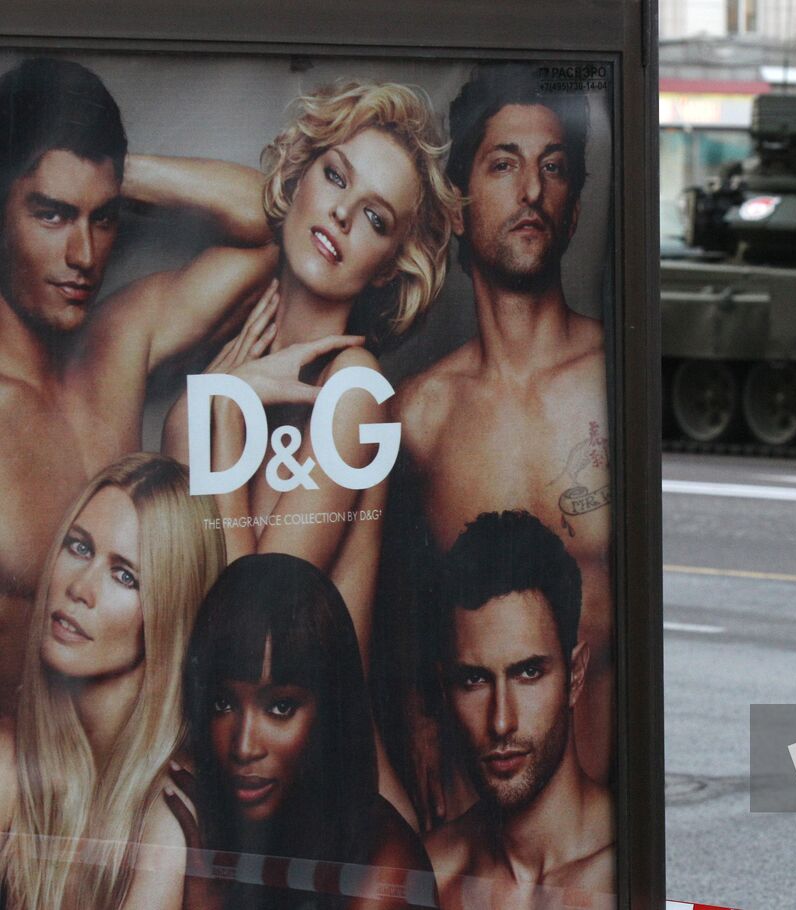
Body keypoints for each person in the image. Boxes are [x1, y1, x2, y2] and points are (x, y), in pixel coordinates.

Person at [162, 79, 460, 825]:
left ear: (388, 265)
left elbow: (255, 633)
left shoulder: (355, 394)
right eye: (335, 177)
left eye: (375, 218)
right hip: (250, 791)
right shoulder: (219, 388)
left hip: (341, 815)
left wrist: (220, 414)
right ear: (298, 177)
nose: (339, 214)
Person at [0, 56, 277, 711]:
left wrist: (123, 172)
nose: (85, 256)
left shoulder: (118, 340)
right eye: (51, 214)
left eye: (103, 218)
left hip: (133, 777)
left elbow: (275, 226)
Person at [394, 62, 613, 790]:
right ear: (455, 207)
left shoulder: (612, 378)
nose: (530, 192)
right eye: (503, 165)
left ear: (575, 209)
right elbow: (397, 615)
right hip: (476, 828)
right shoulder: (422, 415)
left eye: (553, 169)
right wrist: (423, 719)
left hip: (607, 815)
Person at [0, 453, 227, 910]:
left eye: (125, 576)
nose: (80, 587)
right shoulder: (11, 760)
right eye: (79, 547)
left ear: (169, 612)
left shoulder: (174, 813)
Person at [166, 553, 437, 910]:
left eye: (280, 708)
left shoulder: (385, 874)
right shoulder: (206, 822)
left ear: (330, 709)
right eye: (223, 704)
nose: (244, 746)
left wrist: (205, 902)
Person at [424, 511, 614, 907]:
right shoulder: (432, 873)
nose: (501, 721)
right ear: (445, 690)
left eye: (528, 672)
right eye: (474, 680)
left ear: (575, 676)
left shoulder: (630, 867)